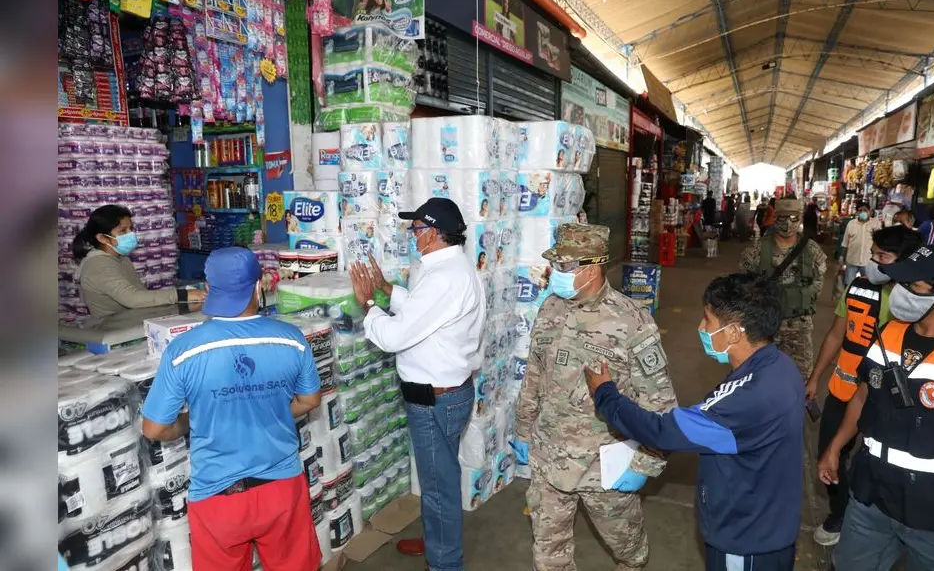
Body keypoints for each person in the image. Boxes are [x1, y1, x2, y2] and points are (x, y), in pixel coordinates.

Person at [585, 272, 803, 571]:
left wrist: (606, 394)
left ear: (735, 332)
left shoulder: (748, 400)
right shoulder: (779, 364)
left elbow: (662, 431)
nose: (701, 327)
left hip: (746, 539)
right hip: (770, 519)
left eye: (708, 321)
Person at [141, 247, 322, 570]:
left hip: (216, 496)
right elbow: (309, 401)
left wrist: (191, 422)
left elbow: (153, 429)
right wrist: (272, 411)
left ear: (209, 289)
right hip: (281, 489)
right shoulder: (292, 340)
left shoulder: (183, 351)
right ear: (259, 286)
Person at [513, 223, 674, 571]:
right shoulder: (551, 308)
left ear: (593, 267)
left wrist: (647, 462)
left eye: (565, 267)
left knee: (628, 551)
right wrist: (523, 429)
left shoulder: (632, 321)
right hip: (548, 456)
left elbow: (660, 404)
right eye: (556, 264)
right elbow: (535, 374)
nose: (557, 273)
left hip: (603, 466)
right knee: (549, 554)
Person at [348, 197, 486, 571]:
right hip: (447, 395)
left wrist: (368, 307)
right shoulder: (451, 269)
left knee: (439, 488)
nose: (413, 235)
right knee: (436, 480)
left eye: (418, 229)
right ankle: (437, 542)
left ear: (437, 234)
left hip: (435, 402)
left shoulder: (445, 278)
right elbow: (429, 318)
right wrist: (389, 292)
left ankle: (445, 563)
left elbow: (394, 338)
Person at [819, 245, 934, 571]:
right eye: (899, 284)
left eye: (913, 287)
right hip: (870, 495)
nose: (900, 293)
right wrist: (835, 446)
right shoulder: (889, 333)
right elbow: (862, 396)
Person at [804, 225, 923, 546]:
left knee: (876, 461)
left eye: (882, 257)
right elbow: (835, 334)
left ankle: (882, 521)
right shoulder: (858, 286)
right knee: (829, 453)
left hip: (889, 399)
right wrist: (815, 377)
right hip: (845, 389)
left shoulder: (919, 303)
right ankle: (839, 510)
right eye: (873, 255)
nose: (872, 263)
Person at [739, 198, 827, 376]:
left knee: (800, 379)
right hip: (765, 328)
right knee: (761, 377)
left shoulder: (812, 250)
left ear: (800, 218)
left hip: (799, 328)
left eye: (793, 218)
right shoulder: (756, 251)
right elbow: (743, 288)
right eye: (782, 217)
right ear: (775, 218)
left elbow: (818, 285)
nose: (787, 223)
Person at [73, 204, 205, 318]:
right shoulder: (98, 265)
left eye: (131, 229)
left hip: (133, 321)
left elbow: (141, 295)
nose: (131, 234)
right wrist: (182, 295)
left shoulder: (121, 258)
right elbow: (133, 299)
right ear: (102, 238)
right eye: (123, 231)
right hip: (114, 330)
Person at [840, 201, 881, 286]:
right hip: (852, 260)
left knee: (867, 286)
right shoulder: (851, 224)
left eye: (865, 210)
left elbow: (880, 242)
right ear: (857, 212)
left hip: (868, 261)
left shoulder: (875, 223)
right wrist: (841, 258)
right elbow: (845, 242)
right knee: (849, 285)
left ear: (870, 211)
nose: (863, 212)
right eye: (860, 210)